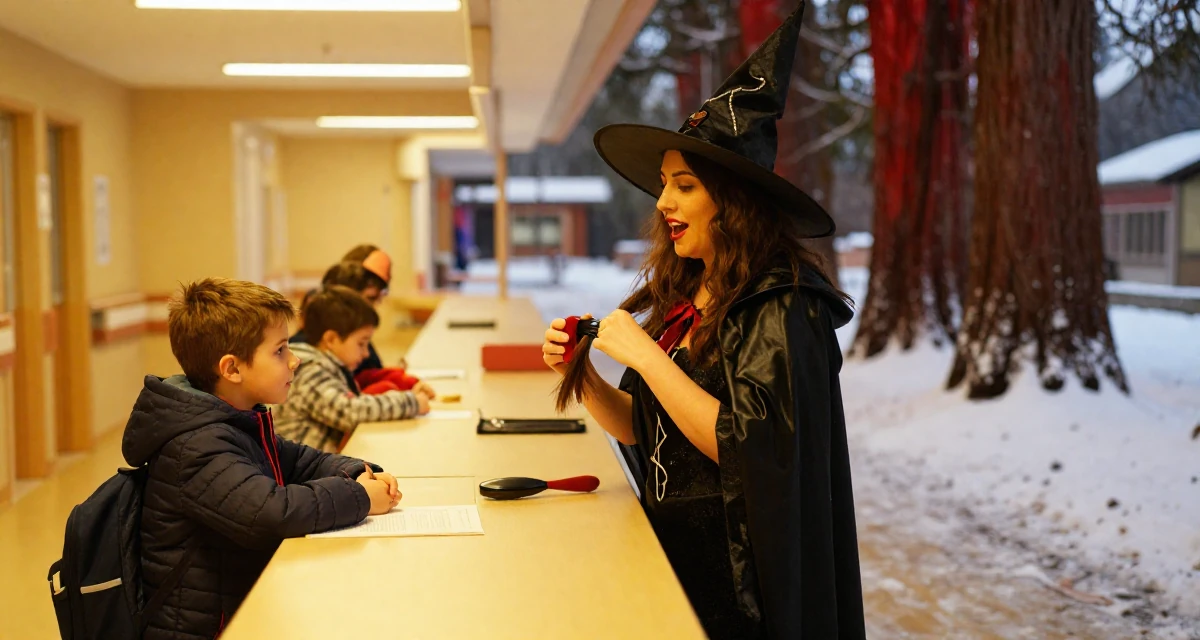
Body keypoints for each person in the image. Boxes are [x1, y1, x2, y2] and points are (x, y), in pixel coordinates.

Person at [542, 5, 865, 639]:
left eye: (684, 185)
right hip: (672, 556)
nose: (663, 202)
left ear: (734, 201)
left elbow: (750, 447)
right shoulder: (688, 294)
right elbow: (646, 429)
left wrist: (647, 358)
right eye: (664, 184)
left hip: (742, 583)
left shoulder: (784, 305)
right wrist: (582, 378)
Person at [123, 278, 401, 639]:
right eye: (281, 351)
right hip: (207, 630)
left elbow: (299, 461)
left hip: (242, 606)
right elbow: (271, 513)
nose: (295, 360)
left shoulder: (235, 418)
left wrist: (360, 471)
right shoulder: (196, 444)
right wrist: (360, 497)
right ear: (232, 369)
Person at [275, 285, 433, 452]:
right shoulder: (310, 370)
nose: (366, 354)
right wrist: (411, 402)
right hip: (304, 474)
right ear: (331, 339)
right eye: (361, 343)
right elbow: (351, 411)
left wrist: (406, 393)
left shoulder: (326, 366)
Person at [293, 260, 425, 394]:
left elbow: (367, 375)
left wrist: (404, 381)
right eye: (370, 298)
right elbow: (349, 406)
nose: (374, 306)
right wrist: (407, 399)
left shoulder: (339, 354)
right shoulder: (309, 364)